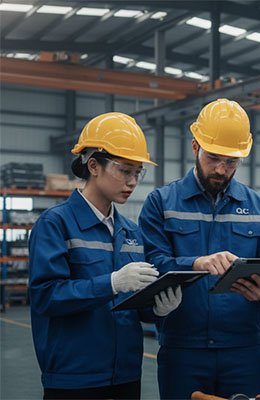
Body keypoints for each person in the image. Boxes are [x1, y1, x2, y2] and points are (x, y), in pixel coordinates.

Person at [139, 98, 260, 399]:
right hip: (183, 348)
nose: (221, 169)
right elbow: (150, 265)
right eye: (213, 158)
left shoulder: (259, 207)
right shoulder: (162, 203)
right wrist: (197, 263)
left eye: (231, 161)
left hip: (243, 350)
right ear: (195, 148)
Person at [28, 112, 182, 400]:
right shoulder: (55, 224)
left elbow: (131, 305)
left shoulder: (132, 233)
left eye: (138, 172)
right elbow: (45, 296)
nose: (133, 181)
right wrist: (110, 283)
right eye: (125, 170)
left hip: (125, 374)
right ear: (94, 165)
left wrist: (157, 309)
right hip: (74, 379)